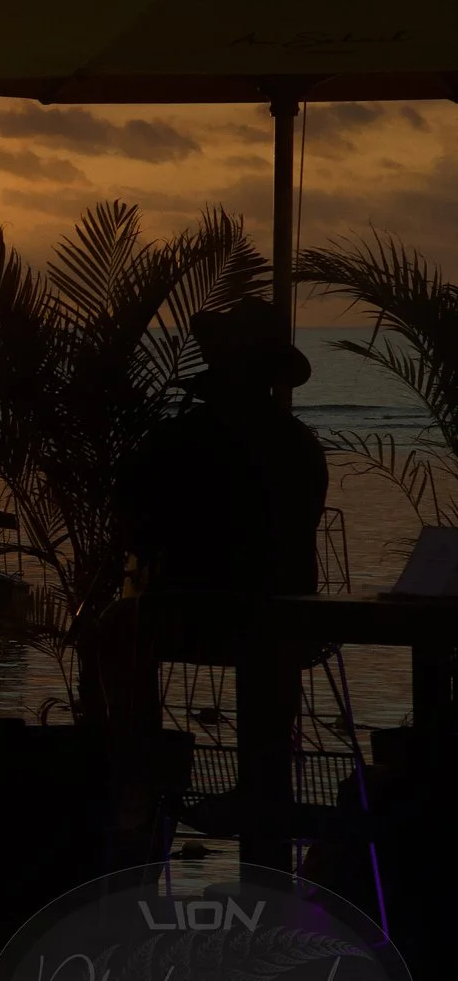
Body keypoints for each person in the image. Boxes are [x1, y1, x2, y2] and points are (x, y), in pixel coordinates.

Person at [104, 301, 328, 866]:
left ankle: (142, 766)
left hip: (194, 613)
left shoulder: (180, 440)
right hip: (284, 617)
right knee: (271, 646)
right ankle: (263, 777)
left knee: (113, 633)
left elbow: (130, 525)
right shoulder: (297, 442)